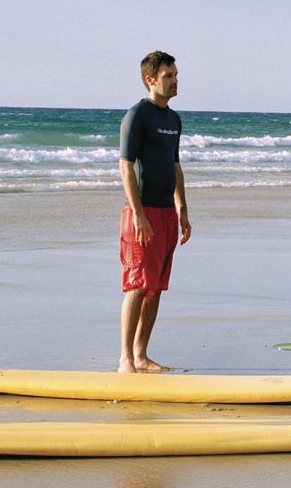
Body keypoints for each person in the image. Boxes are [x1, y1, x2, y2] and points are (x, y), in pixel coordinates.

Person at [118, 50, 192, 373]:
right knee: (137, 283)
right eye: (168, 76)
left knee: (157, 286)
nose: (175, 80)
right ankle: (125, 358)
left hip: (166, 214)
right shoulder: (138, 115)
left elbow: (176, 166)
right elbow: (125, 166)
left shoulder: (174, 120)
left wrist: (183, 209)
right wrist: (137, 213)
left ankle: (141, 354)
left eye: (176, 75)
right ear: (151, 79)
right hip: (142, 211)